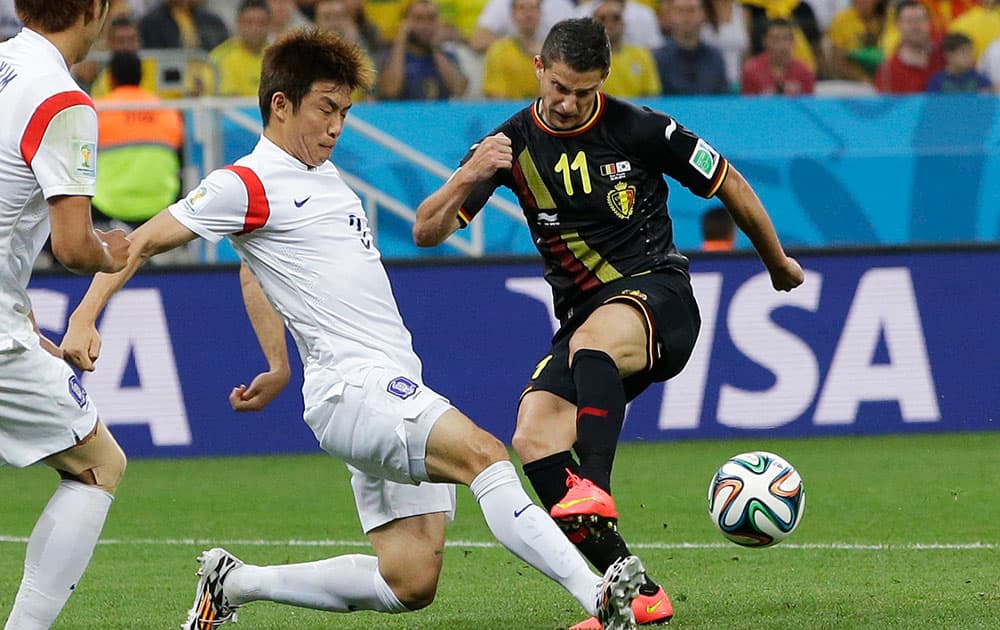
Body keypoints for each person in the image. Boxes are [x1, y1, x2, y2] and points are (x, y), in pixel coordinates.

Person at [60, 28, 645, 630]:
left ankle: (234, 582)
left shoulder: (325, 179)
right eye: (326, 109)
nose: (337, 126)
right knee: (485, 455)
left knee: (410, 580)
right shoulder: (247, 181)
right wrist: (84, 316)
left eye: (343, 112)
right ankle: (600, 596)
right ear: (281, 105)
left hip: (388, 382)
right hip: (354, 388)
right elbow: (136, 244)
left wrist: (279, 364)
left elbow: (254, 269)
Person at [413, 17, 804, 629]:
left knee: (593, 344)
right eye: (561, 87)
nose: (569, 103)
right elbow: (426, 231)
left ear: (604, 80)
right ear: (539, 67)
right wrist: (468, 174)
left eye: (584, 91)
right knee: (533, 435)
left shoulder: (640, 128)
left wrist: (776, 261)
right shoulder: (507, 145)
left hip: (659, 297)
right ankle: (634, 591)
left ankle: (594, 481)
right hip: (584, 322)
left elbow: (728, 181)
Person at [0, 1, 132, 628]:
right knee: (98, 465)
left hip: (7, 318)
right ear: (96, 9)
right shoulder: (61, 98)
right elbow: (73, 247)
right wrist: (114, 250)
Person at [92, 51, 184, 230]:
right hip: (161, 201)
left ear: (110, 78)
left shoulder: (98, 111)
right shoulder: (167, 111)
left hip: (108, 203)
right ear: (142, 76)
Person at [377, 0, 467, 100]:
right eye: (418, 19)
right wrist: (401, 38)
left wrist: (435, 47)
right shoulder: (393, 55)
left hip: (439, 114)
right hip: (406, 114)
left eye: (431, 19)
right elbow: (390, 91)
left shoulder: (448, 55)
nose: (425, 25)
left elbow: (459, 90)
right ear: (405, 22)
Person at [653, 0, 729, 95]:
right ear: (670, 15)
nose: (686, 16)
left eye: (691, 10)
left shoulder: (716, 58)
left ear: (703, 14)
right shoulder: (657, 59)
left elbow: (723, 99)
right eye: (680, 11)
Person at [874, 0, 943, 94]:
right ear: (898, 25)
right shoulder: (888, 72)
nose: (915, 26)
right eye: (909, 21)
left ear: (929, 23)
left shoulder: (945, 57)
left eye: (920, 19)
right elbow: (887, 107)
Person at [482, 0, 544, 100]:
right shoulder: (498, 50)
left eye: (533, 8)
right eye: (521, 8)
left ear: (540, 13)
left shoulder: (551, 52)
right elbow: (495, 96)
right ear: (513, 14)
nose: (528, 14)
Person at [741, 18, 816, 95]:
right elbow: (748, 105)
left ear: (793, 41)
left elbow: (809, 105)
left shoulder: (805, 72)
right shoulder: (751, 71)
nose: (781, 45)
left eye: (786, 38)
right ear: (764, 41)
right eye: (775, 39)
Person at [211, 0, 270, 96]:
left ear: (269, 25)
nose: (255, 28)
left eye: (261, 23)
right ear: (238, 24)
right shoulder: (220, 57)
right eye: (249, 22)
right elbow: (229, 100)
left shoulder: (278, 57)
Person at [926, 32, 992, 93]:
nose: (969, 57)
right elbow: (932, 104)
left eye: (971, 52)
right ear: (948, 55)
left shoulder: (979, 80)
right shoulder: (937, 82)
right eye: (964, 52)